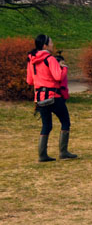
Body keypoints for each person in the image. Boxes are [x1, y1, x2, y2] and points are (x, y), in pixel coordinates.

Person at [26, 34, 77, 162]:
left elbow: (29, 80)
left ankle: (42, 155)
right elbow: (58, 76)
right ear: (45, 45)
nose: (52, 45)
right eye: (51, 43)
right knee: (65, 122)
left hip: (40, 98)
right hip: (54, 96)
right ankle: (63, 152)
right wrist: (64, 67)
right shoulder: (50, 59)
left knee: (46, 125)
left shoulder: (31, 60)